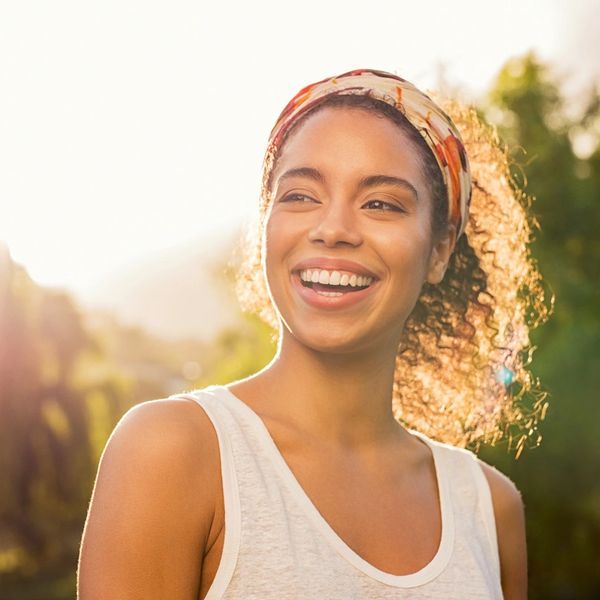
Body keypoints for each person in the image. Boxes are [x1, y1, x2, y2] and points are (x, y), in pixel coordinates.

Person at [78, 69, 547, 599]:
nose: (333, 229)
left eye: (381, 203)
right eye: (300, 195)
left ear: (438, 250)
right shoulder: (172, 452)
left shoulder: (489, 507)